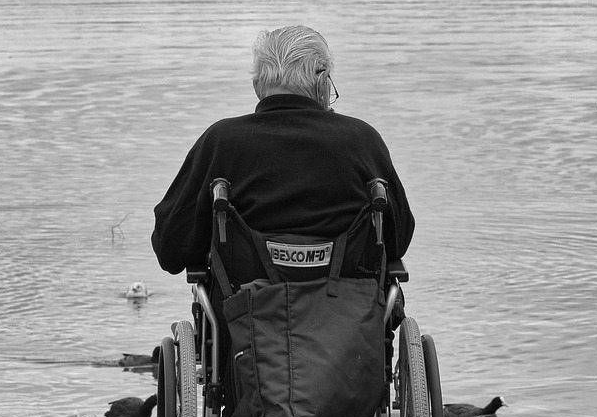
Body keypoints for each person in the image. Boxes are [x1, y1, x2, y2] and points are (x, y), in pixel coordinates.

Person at [152, 24, 415, 283]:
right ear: (322, 81)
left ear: (257, 85)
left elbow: (171, 248)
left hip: (243, 318)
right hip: (352, 318)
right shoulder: (361, 140)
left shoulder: (221, 141)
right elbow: (397, 241)